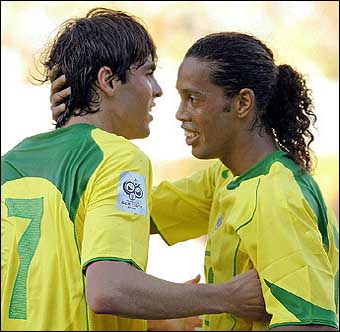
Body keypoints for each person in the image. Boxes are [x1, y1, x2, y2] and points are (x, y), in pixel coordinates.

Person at [51, 31, 339, 331]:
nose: (180, 113)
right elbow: (110, 211)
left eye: (194, 99)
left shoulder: (275, 194)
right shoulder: (225, 177)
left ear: (242, 103)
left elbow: (310, 326)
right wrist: (79, 126)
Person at [1, 9, 269, 332]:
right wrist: (225, 296)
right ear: (108, 81)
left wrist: (160, 321)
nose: (157, 90)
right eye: (148, 73)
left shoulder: (11, 162)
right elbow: (107, 289)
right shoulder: (119, 159)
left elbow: (50, 288)